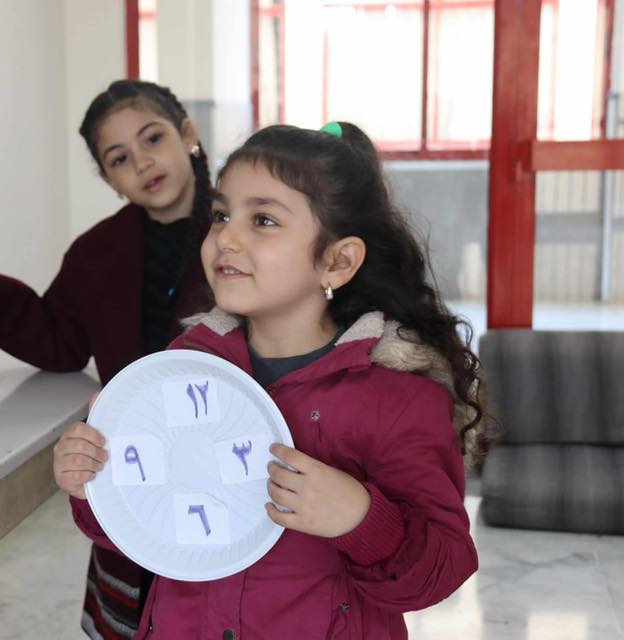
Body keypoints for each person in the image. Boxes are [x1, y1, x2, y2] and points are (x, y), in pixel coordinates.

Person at [54, 122, 493, 639]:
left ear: (337, 261)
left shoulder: (397, 397)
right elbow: (141, 528)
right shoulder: (188, 365)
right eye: (221, 215)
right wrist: (91, 481)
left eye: (263, 219)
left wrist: (359, 517)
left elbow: (441, 569)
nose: (226, 238)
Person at [0, 79, 212, 639]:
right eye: (119, 159)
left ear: (187, 134)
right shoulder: (98, 253)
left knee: (220, 602)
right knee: (137, 601)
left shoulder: (239, 232)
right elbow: (62, 340)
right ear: (109, 180)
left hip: (223, 454)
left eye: (153, 139)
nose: (142, 163)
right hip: (134, 462)